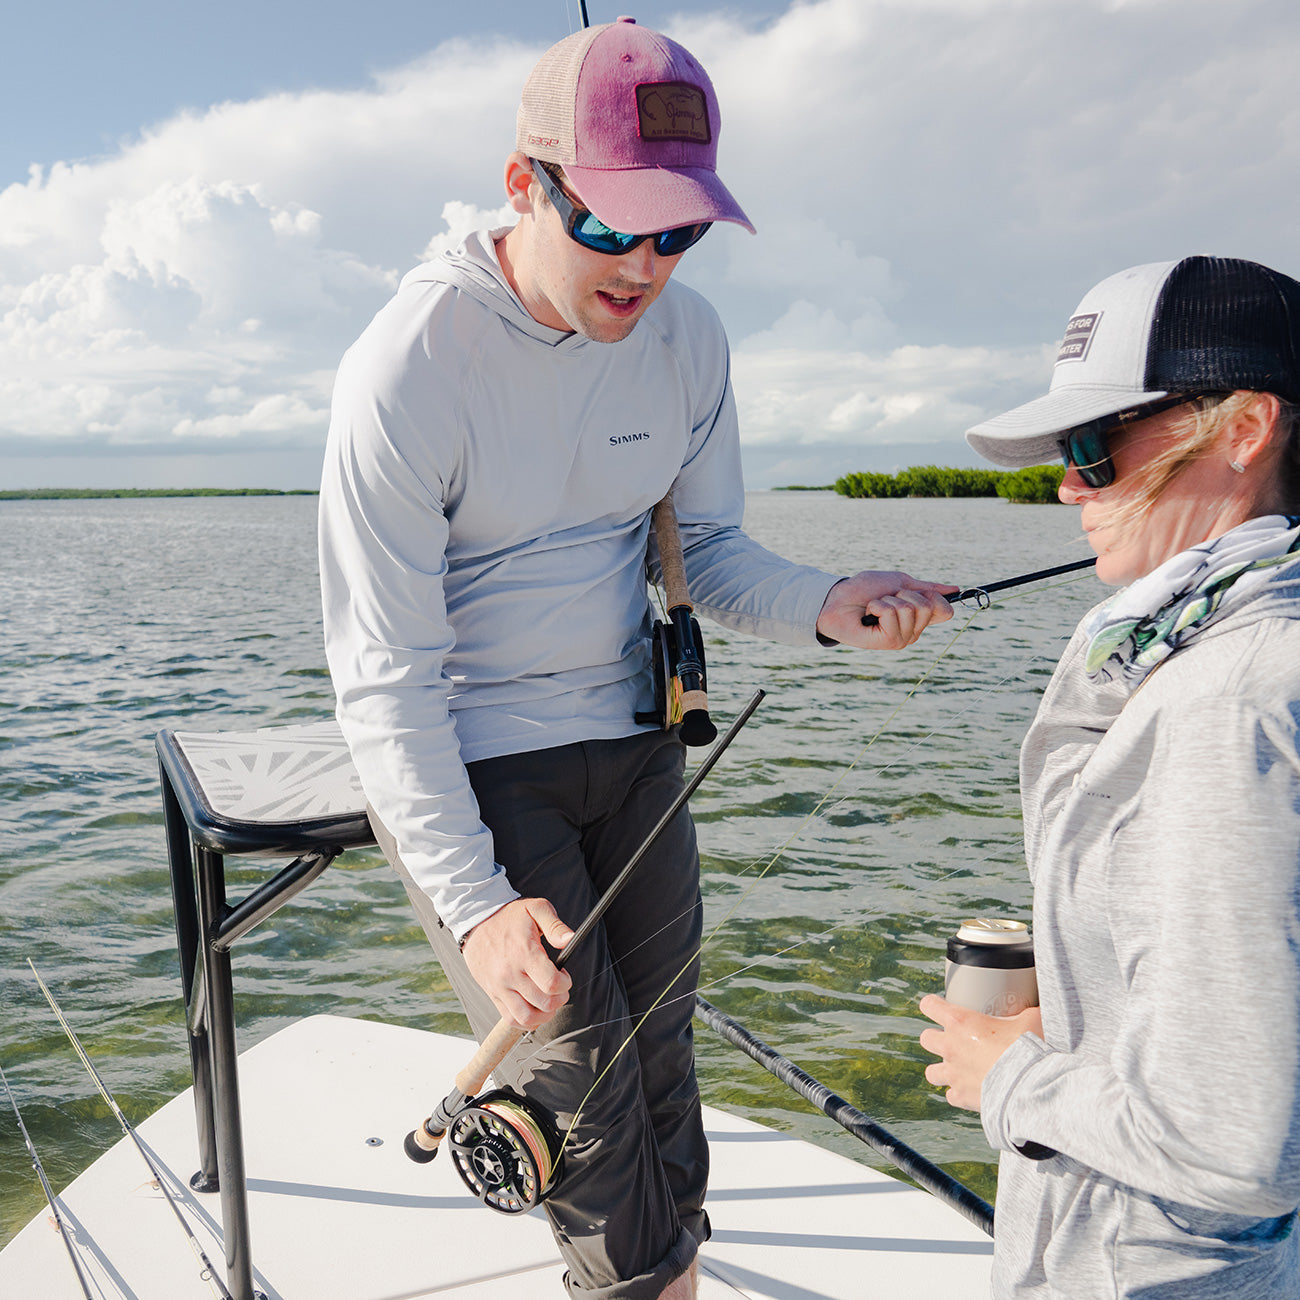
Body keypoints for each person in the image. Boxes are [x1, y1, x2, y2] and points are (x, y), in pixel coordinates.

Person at [317, 18, 954, 1300]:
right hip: (478, 763)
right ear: (523, 185)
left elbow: (709, 553)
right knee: (580, 1085)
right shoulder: (407, 368)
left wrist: (834, 600)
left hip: (635, 739)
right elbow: (381, 673)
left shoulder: (689, 340)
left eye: (680, 231)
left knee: (660, 1045)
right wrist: (476, 899)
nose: (647, 265)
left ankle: (675, 1277)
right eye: (612, 226)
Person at [920, 255, 1300, 1297]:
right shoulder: (1235, 657)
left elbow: (1231, 1140)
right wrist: (1098, 1017)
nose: (1066, 483)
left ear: (1242, 430)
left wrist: (1013, 1079)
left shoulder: (1228, 701)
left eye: (1094, 449)